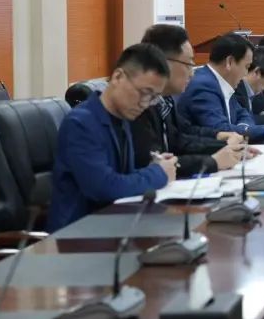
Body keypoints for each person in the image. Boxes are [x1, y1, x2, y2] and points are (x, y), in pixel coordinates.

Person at [49, 43, 178, 231]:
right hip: (78, 235)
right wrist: (159, 173)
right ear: (118, 77)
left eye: (153, 98)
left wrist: (153, 167)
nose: (145, 104)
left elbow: (123, 177)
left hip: (115, 224)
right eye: (144, 93)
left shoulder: (122, 119)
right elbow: (104, 188)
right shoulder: (81, 124)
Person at [134, 24, 250, 177]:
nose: (192, 73)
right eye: (188, 64)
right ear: (162, 62)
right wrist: (213, 162)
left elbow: (180, 139)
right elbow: (152, 163)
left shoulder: (165, 99)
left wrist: (222, 141)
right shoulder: (138, 105)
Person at [176, 33, 264, 143]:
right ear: (229, 62)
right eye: (247, 67)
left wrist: (244, 128)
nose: (246, 74)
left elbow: (242, 114)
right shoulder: (204, 85)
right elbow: (221, 130)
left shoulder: (220, 82)